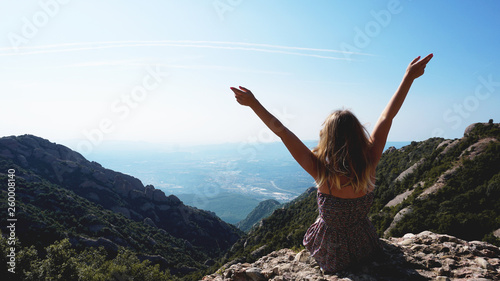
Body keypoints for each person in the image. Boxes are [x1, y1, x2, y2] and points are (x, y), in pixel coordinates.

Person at [230, 54, 433, 273]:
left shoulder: (320, 170)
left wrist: (253, 104)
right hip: (364, 243)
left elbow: (283, 132)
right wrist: (408, 78)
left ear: (327, 137)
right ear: (358, 134)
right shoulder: (369, 161)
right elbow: (386, 117)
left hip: (331, 249)